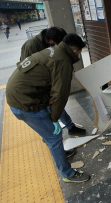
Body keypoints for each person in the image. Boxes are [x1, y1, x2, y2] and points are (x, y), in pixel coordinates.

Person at [6, 34, 90, 183]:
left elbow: (51, 90)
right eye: (79, 52)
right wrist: (54, 118)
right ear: (75, 50)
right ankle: (68, 174)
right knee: (54, 137)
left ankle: (61, 154)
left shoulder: (53, 51)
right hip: (25, 102)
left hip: (21, 95)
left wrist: (52, 114)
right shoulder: (63, 62)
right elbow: (60, 95)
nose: (78, 55)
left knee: (50, 134)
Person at [20, 27, 86, 137]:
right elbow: (26, 68)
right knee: (53, 105)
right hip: (37, 87)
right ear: (51, 41)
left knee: (57, 104)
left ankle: (70, 127)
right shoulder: (31, 46)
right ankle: (50, 136)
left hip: (49, 82)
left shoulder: (52, 42)